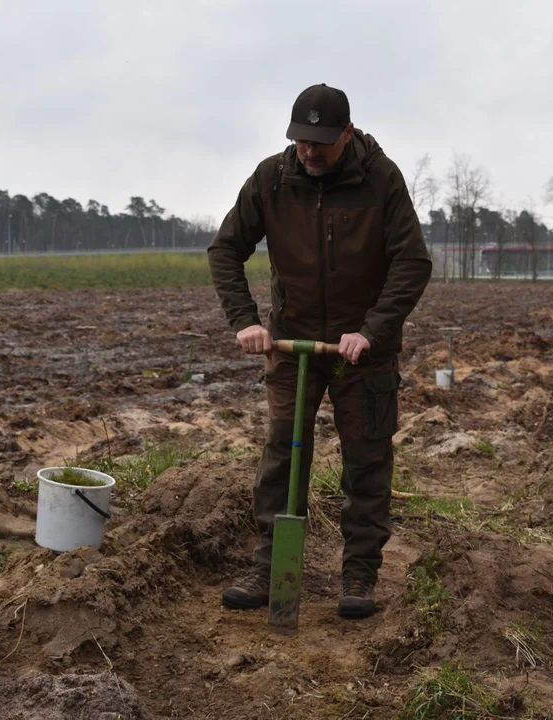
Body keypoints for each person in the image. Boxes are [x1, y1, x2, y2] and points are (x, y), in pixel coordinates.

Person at [208, 83, 432, 619]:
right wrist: (246, 321)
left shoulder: (381, 178)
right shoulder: (272, 179)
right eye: (301, 140)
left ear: (346, 135)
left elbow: (411, 262)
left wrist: (372, 329)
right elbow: (225, 250)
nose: (310, 152)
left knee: (366, 459)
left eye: (322, 143)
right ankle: (270, 566)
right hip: (293, 341)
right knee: (283, 455)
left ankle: (359, 573)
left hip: (363, 351)